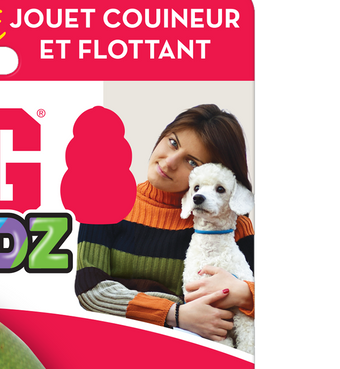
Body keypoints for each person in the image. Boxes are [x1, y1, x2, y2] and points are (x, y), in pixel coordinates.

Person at [75, 104, 256, 342]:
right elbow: (90, 290)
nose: (170, 162)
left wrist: (246, 293)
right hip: (114, 348)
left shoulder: (231, 227)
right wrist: (176, 313)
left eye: (192, 162)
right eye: (173, 142)